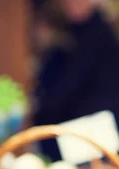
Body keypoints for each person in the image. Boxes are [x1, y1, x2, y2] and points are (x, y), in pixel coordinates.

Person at [35, 0, 119, 160]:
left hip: (94, 135)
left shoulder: (98, 35)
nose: (72, 4)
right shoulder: (73, 33)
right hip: (82, 134)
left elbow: (70, 87)